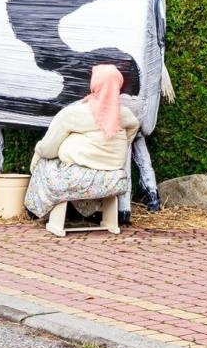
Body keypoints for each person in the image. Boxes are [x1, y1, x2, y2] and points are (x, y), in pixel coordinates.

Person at [25, 64, 140, 235]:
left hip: (77, 178)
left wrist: (38, 152)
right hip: (113, 178)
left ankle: (34, 210)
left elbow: (48, 148)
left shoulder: (75, 113)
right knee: (67, 166)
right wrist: (122, 144)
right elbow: (134, 126)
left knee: (44, 162)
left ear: (94, 84)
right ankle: (91, 211)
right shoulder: (124, 114)